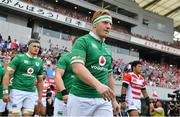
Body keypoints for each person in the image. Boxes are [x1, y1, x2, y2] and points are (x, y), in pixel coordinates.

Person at [67, 9, 120, 116]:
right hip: (80, 99)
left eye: (110, 24)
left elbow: (109, 76)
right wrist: (98, 86)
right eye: (105, 22)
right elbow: (77, 68)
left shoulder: (107, 49)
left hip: (103, 101)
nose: (109, 27)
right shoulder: (82, 41)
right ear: (95, 24)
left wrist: (114, 100)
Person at [3, 39, 44, 117]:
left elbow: (40, 81)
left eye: (38, 47)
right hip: (17, 91)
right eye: (34, 46)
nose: (36, 48)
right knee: (14, 115)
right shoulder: (19, 58)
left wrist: (40, 97)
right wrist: (5, 92)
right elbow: (7, 75)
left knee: (28, 115)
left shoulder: (40, 62)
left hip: (31, 92)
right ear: (28, 47)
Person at [54, 38, 77, 116]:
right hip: (63, 99)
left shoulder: (87, 60)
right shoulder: (65, 58)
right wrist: (64, 93)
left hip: (79, 100)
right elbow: (57, 76)